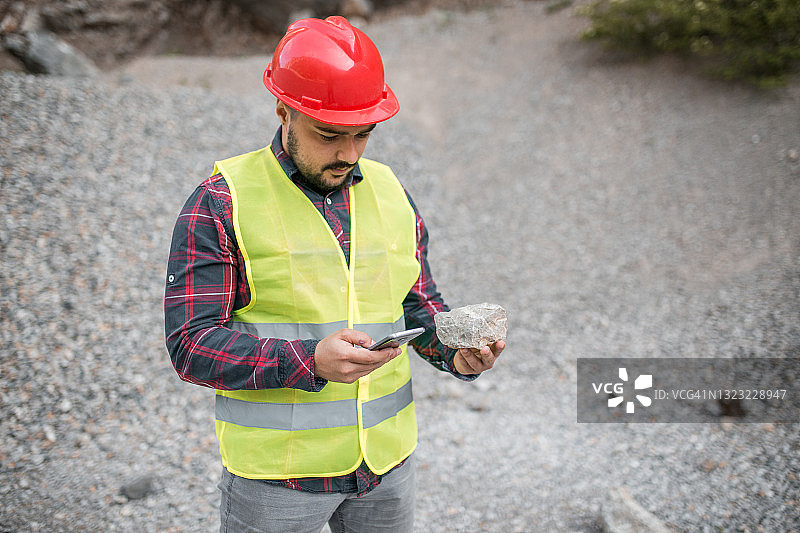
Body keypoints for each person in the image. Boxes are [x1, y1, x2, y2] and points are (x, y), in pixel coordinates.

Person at [164, 16, 505, 533]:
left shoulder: (391, 192)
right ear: (283, 110)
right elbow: (191, 345)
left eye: (362, 135)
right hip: (277, 483)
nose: (348, 154)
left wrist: (455, 353)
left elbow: (417, 303)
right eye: (329, 135)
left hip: (386, 472)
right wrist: (308, 362)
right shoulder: (221, 201)